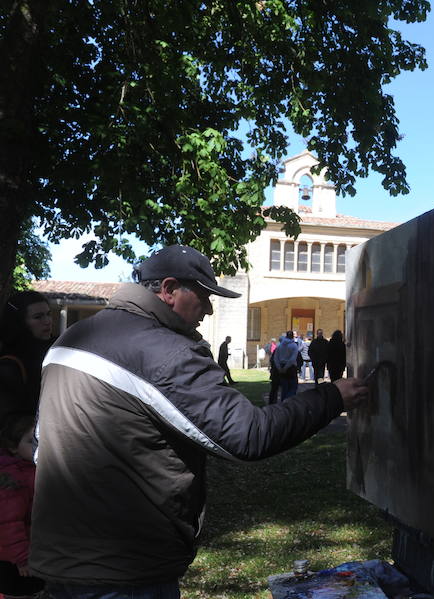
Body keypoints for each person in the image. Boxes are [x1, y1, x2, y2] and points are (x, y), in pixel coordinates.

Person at [30, 245, 369, 598]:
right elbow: (248, 435)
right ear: (170, 289)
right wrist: (333, 397)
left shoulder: (72, 339)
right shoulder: (162, 351)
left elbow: (41, 442)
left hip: (61, 554)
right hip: (123, 566)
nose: (208, 310)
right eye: (204, 297)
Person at [0, 291, 54, 422]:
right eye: (38, 317)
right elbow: (8, 417)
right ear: (20, 322)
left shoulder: (56, 350)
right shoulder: (9, 364)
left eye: (48, 314)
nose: (47, 321)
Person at [0, 413, 36, 580]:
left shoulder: (32, 469)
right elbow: (9, 523)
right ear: (14, 447)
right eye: (31, 441)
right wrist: (22, 558)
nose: (38, 446)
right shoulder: (13, 477)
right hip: (18, 562)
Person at [273, 331, 300, 401]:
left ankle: (283, 402)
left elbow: (276, 358)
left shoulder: (280, 345)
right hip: (291, 367)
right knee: (293, 387)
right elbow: (292, 359)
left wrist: (279, 368)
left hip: (281, 365)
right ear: (292, 337)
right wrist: (286, 367)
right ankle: (288, 400)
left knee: (284, 387)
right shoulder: (294, 346)